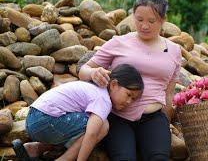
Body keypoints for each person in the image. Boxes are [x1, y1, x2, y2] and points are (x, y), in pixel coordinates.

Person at [78, 0, 181, 161]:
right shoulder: (119, 42)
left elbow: (169, 93)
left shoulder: (174, 51)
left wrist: (166, 123)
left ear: (163, 20)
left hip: (153, 118)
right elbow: (83, 70)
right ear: (133, 15)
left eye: (151, 21)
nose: (144, 25)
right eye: (139, 19)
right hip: (117, 117)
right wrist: (94, 72)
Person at [12, 64, 144, 161]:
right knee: (102, 126)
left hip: (33, 118)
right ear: (114, 85)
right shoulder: (103, 99)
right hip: (45, 121)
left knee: (77, 127)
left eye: (133, 99)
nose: (129, 102)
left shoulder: (93, 88)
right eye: (128, 95)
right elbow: (92, 134)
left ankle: (34, 149)